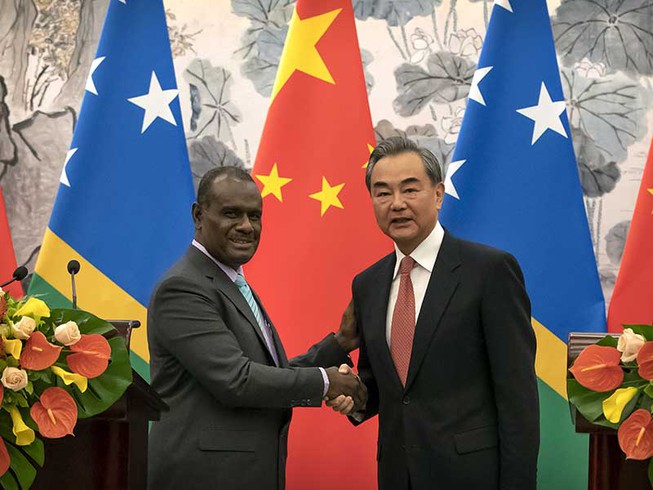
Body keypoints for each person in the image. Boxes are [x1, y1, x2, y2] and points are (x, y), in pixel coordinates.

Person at [330, 137, 539, 489]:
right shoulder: (368, 284)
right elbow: (385, 388)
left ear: (439, 195)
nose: (397, 203)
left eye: (410, 190)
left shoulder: (489, 271)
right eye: (383, 193)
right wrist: (352, 396)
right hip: (397, 475)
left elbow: (517, 398)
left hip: (472, 477)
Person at [147, 166, 365, 490]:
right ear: (198, 216)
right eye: (232, 214)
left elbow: (268, 374)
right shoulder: (183, 287)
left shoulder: (231, 282)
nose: (246, 226)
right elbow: (237, 380)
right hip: (205, 477)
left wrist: (340, 343)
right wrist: (326, 382)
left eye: (254, 216)